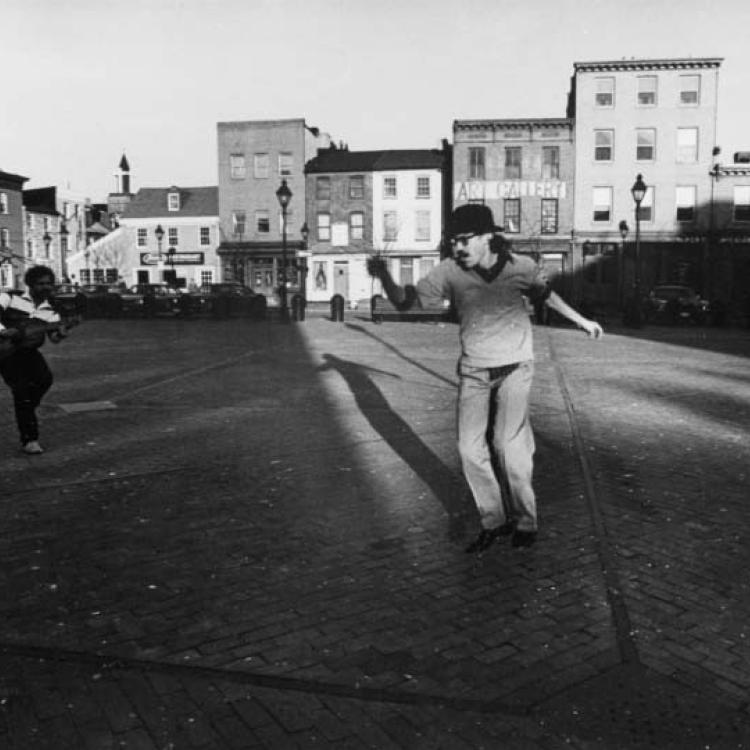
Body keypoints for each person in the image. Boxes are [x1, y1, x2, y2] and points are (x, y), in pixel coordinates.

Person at [368, 204, 603, 553]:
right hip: (475, 371)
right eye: (453, 241)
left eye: (465, 240)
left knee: (508, 446)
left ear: (488, 237)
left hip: (515, 367)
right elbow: (405, 303)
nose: (458, 248)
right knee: (468, 449)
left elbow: (547, 296)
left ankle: (526, 520)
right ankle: (494, 519)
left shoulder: (520, 267)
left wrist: (582, 321)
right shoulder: (448, 271)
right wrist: (385, 277)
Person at [0, 265, 69, 455]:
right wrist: (2, 330)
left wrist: (61, 333)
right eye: (41, 284)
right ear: (30, 284)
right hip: (6, 352)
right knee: (21, 390)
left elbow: (53, 338)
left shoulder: (51, 309)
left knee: (44, 380)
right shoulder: (10, 297)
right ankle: (30, 439)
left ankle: (26, 408)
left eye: (48, 283)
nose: (45, 287)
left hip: (29, 352)